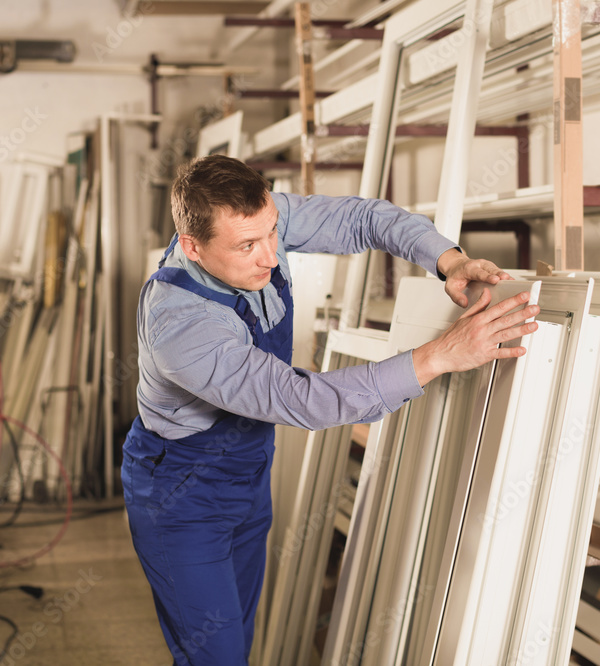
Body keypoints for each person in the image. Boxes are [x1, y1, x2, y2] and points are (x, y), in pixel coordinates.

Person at [121, 155, 539, 665]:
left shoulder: (257, 220)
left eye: (273, 232)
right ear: (192, 246)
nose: (270, 257)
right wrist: (441, 355)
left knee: (236, 642)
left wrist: (448, 261)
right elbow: (302, 399)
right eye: (248, 247)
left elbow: (365, 219)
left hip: (247, 473)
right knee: (215, 656)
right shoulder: (182, 324)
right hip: (182, 498)